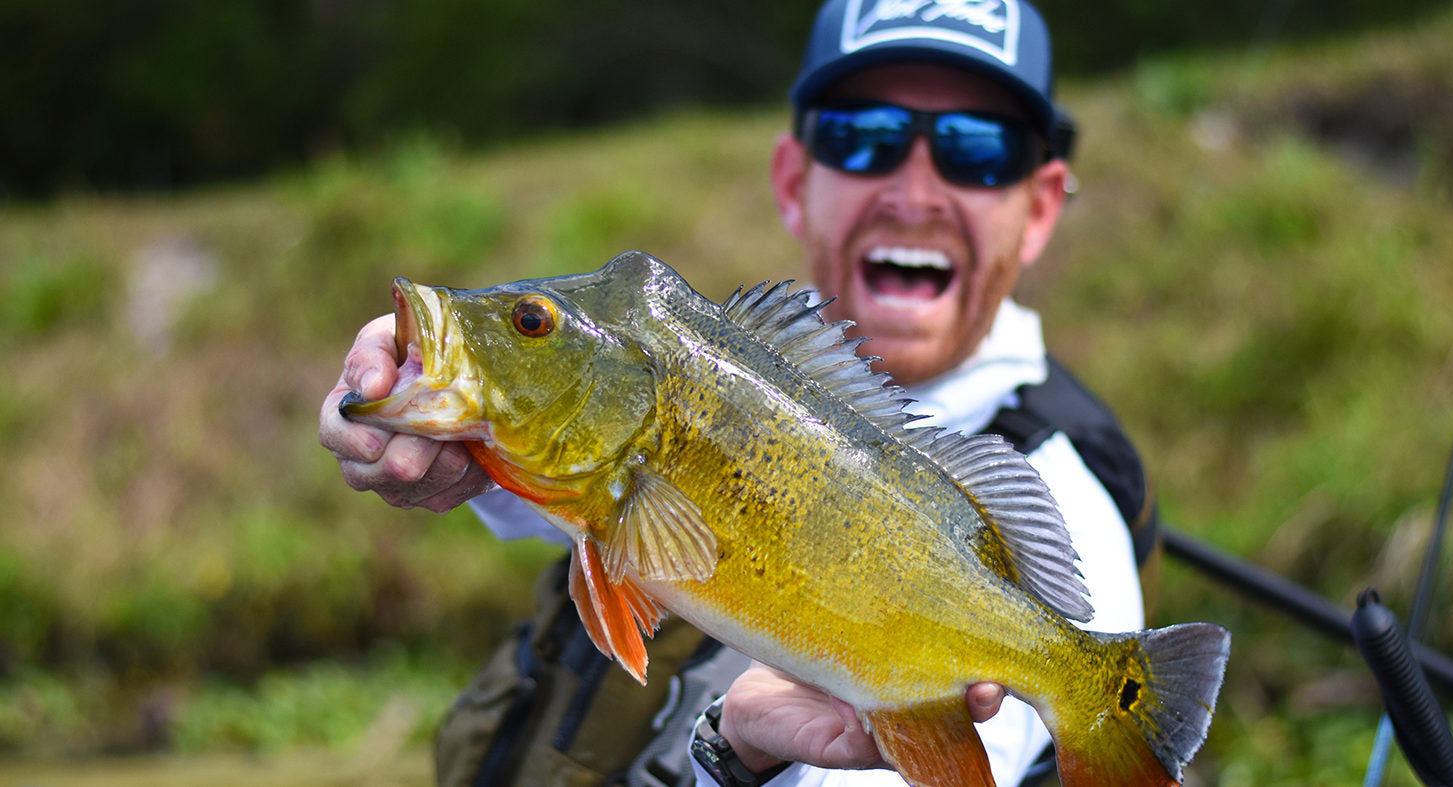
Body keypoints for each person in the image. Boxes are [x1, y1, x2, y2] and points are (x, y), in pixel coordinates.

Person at [317, 1, 1150, 785]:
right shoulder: (702, 377)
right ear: (793, 180)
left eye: (978, 147)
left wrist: (737, 754)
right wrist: (434, 420)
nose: (915, 190)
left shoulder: (1070, 496)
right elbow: (573, 482)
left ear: (1041, 207)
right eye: (864, 137)